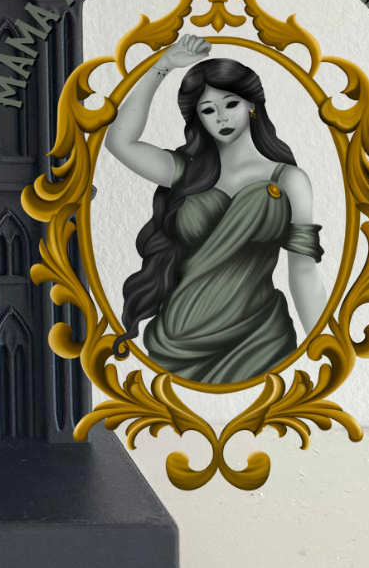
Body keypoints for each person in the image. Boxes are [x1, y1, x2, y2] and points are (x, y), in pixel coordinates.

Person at [103, 33, 326, 385]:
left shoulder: (288, 180)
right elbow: (119, 141)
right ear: (199, 120)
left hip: (260, 340)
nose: (220, 117)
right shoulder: (185, 173)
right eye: (208, 110)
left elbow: (303, 270)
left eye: (230, 103)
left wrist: (322, 344)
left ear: (251, 105)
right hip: (176, 341)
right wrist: (162, 65)